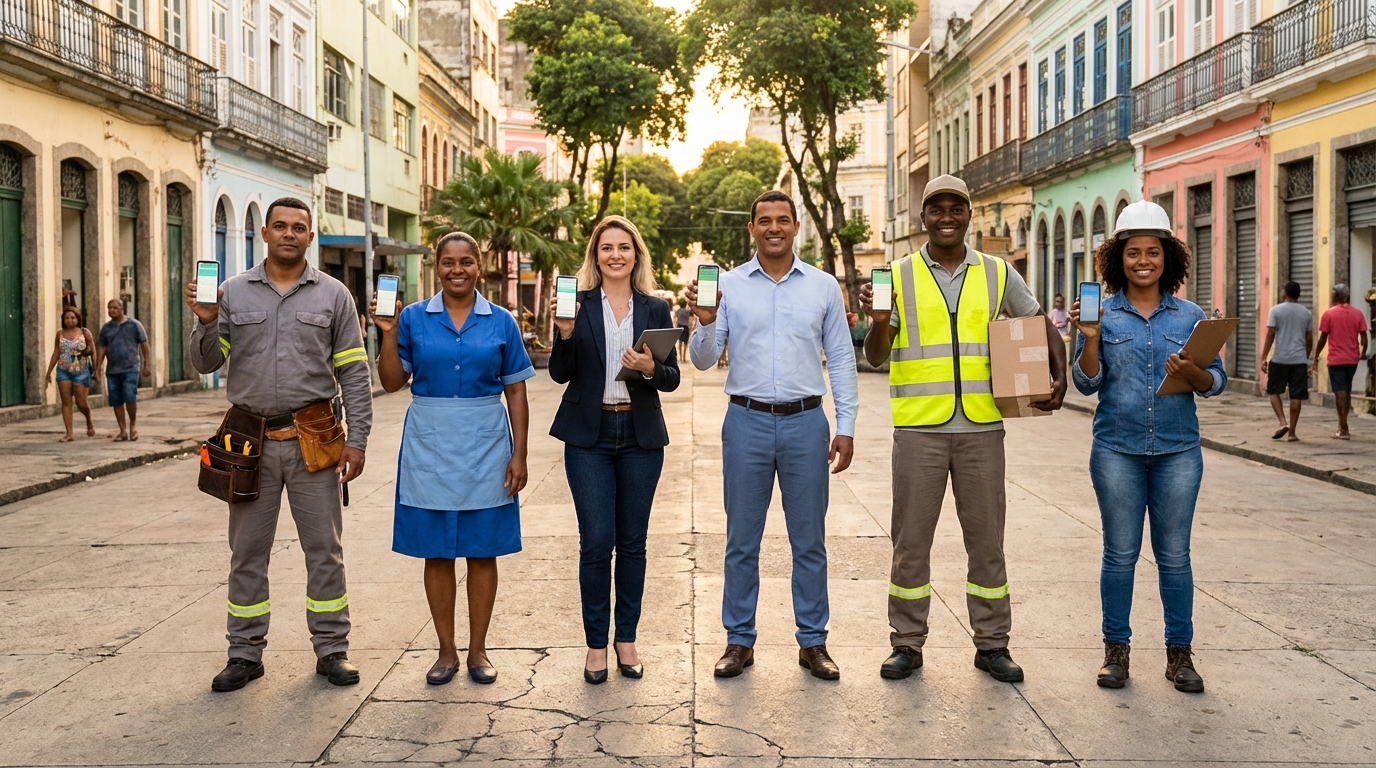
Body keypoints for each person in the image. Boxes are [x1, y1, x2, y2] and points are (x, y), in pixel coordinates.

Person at [860, 175, 1066, 684]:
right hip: (919, 431)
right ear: (923, 217)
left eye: (956, 208)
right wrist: (880, 320)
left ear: (970, 215)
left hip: (981, 428)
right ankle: (906, 643)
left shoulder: (997, 273)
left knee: (987, 542)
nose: (946, 217)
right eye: (937, 209)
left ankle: (993, 645)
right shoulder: (898, 275)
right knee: (910, 543)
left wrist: (1059, 374)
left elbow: (1038, 321)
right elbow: (876, 356)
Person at [185, 197, 373, 692]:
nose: (290, 234)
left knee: (324, 551)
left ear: (311, 236)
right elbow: (205, 364)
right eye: (280, 226)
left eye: (299, 227)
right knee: (247, 552)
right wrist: (206, 320)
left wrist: (357, 441)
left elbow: (354, 372)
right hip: (249, 444)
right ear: (265, 233)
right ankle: (244, 654)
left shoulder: (334, 296)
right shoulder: (231, 293)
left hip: (315, 440)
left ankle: (332, 650)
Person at [688, 191, 858, 681]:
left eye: (783, 219)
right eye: (764, 220)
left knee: (810, 541)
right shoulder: (728, 286)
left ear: (796, 226)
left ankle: (813, 642)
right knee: (742, 540)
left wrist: (846, 426)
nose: (774, 228)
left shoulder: (823, 287)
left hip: (807, 423)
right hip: (746, 422)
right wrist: (705, 323)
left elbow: (841, 358)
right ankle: (739, 640)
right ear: (752, 228)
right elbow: (702, 359)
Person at [1071, 200, 1226, 694]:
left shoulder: (1190, 316)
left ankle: (1180, 656)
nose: (1144, 261)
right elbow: (1086, 383)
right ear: (1118, 259)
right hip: (1116, 449)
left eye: (1153, 252)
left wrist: (1192, 372)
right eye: (1133, 252)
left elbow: (1215, 383)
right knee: (1120, 555)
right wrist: (1090, 339)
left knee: (1175, 556)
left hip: (1179, 451)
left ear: (1168, 258)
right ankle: (1115, 653)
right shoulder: (1103, 316)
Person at [373, 231, 533, 686]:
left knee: (482, 551)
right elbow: (391, 382)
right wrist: (388, 334)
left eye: (466, 262)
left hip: (486, 445)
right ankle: (446, 651)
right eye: (448, 262)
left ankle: (479, 650)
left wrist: (519, 453)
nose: (457, 270)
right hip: (430, 444)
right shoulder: (412, 319)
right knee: (437, 552)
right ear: (436, 267)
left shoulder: (501, 321)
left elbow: (516, 391)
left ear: (478, 266)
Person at [549, 215, 680, 684]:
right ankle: (594, 644)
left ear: (636, 254)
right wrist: (565, 333)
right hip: (590, 437)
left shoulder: (656, 308)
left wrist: (648, 368)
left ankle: (626, 638)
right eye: (607, 247)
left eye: (624, 247)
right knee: (595, 543)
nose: (616, 255)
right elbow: (559, 374)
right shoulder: (577, 305)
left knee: (633, 544)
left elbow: (671, 378)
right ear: (596, 255)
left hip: (641, 437)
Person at [1312, 283, 1370, 440]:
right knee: (1347, 389)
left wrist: (1316, 355)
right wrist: (1362, 353)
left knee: (1340, 391)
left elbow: (1323, 338)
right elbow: (1364, 338)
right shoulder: (1358, 314)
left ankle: (1343, 428)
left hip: (1336, 359)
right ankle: (1342, 425)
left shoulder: (1329, 314)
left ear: (1335, 295)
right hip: (1352, 359)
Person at [1261, 281, 1312, 441]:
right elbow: (1309, 338)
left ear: (1284, 292)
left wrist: (1263, 357)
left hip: (1280, 359)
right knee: (1296, 395)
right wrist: (1305, 356)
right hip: (1299, 360)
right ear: (1299, 295)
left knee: (1273, 391)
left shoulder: (1276, 310)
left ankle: (1283, 422)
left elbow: (1270, 334)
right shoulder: (1306, 313)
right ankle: (1292, 433)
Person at [94, 298, 150, 442]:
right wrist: (97, 368)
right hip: (112, 370)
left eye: (114, 308)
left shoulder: (134, 325)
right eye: (109, 308)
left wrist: (147, 365)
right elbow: (101, 348)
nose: (111, 310)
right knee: (116, 400)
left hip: (131, 367)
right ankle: (122, 430)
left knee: (130, 396)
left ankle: (133, 426)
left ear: (121, 308)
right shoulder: (106, 329)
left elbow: (144, 345)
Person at [44, 307, 96, 442]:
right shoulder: (60, 334)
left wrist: (96, 370)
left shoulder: (85, 333)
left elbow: (93, 351)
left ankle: (88, 419)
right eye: (67, 318)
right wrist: (48, 372)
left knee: (81, 403)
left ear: (77, 319)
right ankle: (69, 433)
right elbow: (56, 352)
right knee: (66, 402)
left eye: (72, 317)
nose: (69, 320)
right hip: (63, 371)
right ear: (63, 320)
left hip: (81, 372)